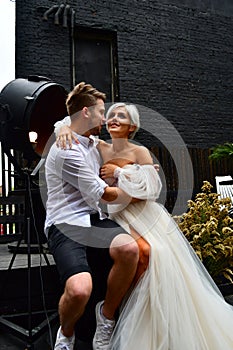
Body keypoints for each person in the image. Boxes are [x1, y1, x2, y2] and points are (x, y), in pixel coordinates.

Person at [56, 101, 233, 349]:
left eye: (122, 116)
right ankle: (115, 313)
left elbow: (151, 191)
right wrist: (61, 127)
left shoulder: (139, 152)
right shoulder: (99, 148)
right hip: (117, 216)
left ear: (132, 126)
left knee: (153, 254)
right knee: (141, 253)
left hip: (145, 213)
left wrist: (119, 174)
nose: (114, 118)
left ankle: (130, 315)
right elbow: (72, 127)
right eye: (111, 115)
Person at [44, 83, 141, 350]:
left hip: (93, 218)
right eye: (101, 112)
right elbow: (106, 195)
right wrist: (137, 193)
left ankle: (106, 317)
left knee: (130, 250)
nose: (105, 118)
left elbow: (69, 118)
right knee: (79, 290)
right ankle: (66, 333)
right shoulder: (67, 150)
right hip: (66, 223)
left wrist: (62, 124)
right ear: (86, 112)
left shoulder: (90, 141)